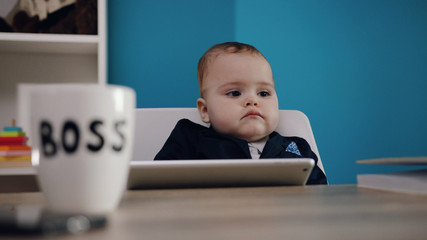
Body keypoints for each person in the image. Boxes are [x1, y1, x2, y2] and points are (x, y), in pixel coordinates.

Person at [155, 42, 327, 185]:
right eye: (235, 93)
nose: (253, 101)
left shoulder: (297, 149)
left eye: (264, 93)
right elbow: (158, 184)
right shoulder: (190, 139)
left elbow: (320, 196)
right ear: (205, 110)